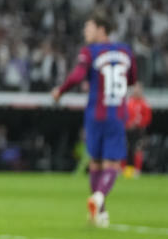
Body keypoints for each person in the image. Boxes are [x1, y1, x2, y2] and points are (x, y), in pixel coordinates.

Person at [52, 12, 136, 227]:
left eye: (88, 28)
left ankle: (99, 210)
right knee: (112, 164)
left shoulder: (90, 52)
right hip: (117, 113)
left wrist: (60, 91)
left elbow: (78, 76)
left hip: (95, 114)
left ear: (102, 29)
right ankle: (99, 202)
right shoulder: (126, 51)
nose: (85, 32)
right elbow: (133, 79)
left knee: (96, 164)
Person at [124, 83, 151, 178]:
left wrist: (138, 124)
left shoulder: (144, 103)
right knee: (126, 149)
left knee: (138, 149)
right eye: (135, 89)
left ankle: (137, 170)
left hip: (139, 131)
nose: (136, 91)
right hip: (128, 130)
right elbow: (124, 116)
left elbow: (147, 118)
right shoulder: (129, 102)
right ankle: (126, 170)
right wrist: (127, 125)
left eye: (138, 89)